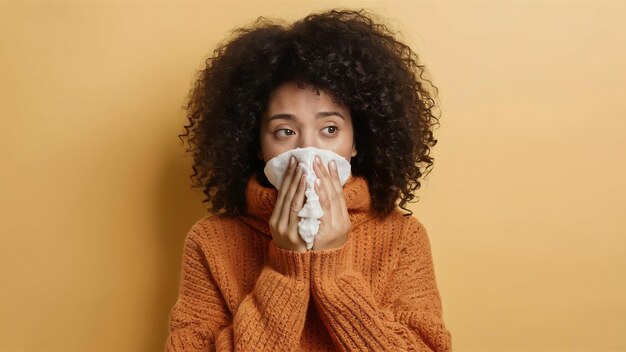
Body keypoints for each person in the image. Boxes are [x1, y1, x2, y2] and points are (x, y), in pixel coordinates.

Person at [166, 9, 452, 351]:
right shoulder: (210, 241)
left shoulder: (403, 238)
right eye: (285, 131)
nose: (308, 149)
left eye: (329, 129)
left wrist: (332, 273)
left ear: (356, 140)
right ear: (257, 145)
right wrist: (288, 271)